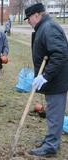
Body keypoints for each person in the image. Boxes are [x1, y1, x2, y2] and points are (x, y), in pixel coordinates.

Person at [24, 3, 68, 157]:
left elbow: (60, 54)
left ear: (37, 15)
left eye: (28, 18)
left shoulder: (49, 28)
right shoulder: (43, 27)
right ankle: (51, 140)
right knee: (52, 113)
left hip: (56, 81)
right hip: (53, 81)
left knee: (55, 114)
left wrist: (45, 76)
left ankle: (50, 147)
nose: (28, 22)